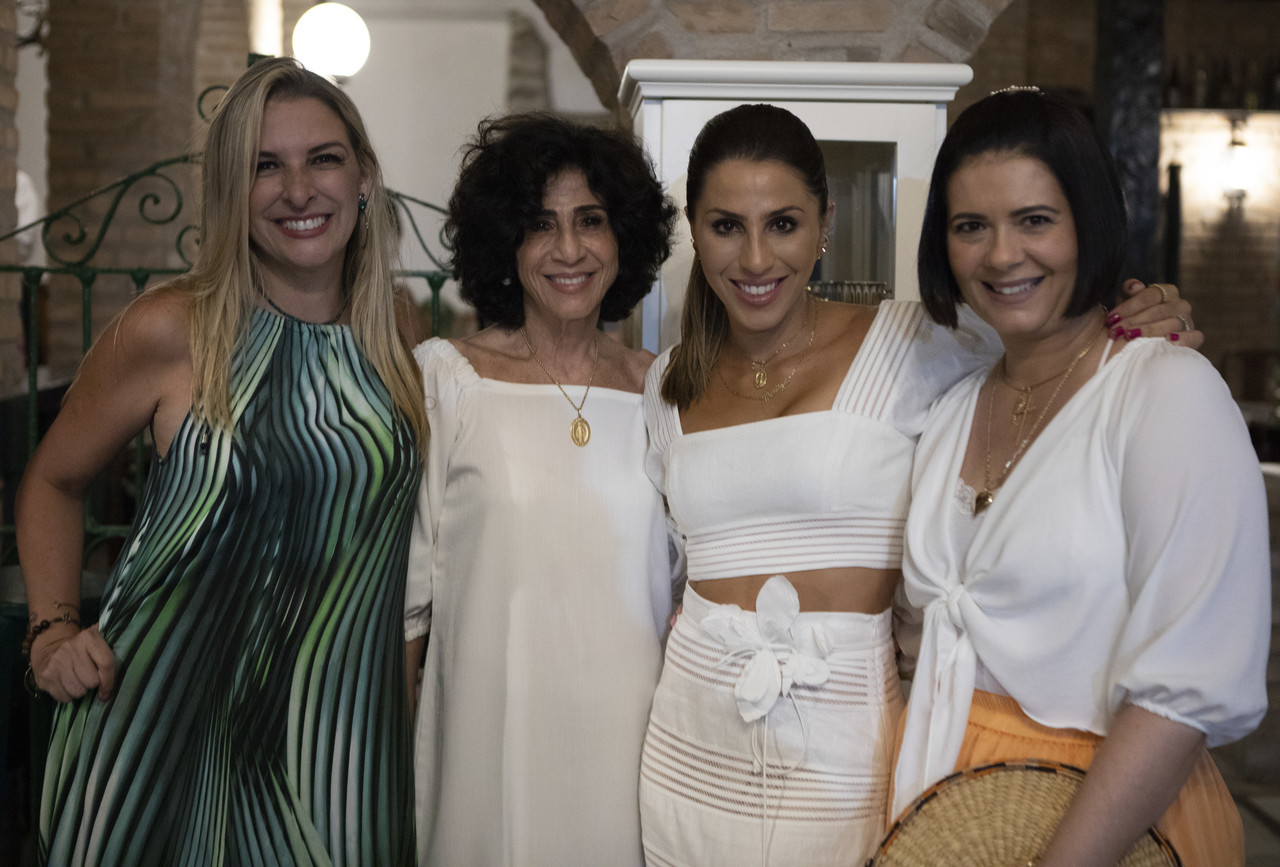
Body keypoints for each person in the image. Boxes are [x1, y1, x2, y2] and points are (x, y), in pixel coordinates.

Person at [637, 102, 1198, 867]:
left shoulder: (919, 340)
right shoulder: (666, 383)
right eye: (726, 225)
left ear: (826, 222)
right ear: (694, 232)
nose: (756, 258)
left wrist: (1140, 318)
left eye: (784, 223)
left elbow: (1056, 350)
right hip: (688, 750)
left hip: (850, 764)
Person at [16, 56, 429, 865]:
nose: (298, 189)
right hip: (152, 736)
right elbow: (54, 481)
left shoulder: (402, 337)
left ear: (366, 176)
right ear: (231, 193)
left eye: (323, 159)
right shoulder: (171, 328)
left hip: (340, 752)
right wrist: (51, 631)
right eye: (263, 166)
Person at [890, 89, 1268, 865]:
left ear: (1088, 221)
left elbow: (1185, 684)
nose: (1002, 255)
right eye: (971, 227)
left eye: (1035, 219)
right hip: (949, 813)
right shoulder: (952, 406)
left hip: (1107, 822)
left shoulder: (1165, 392)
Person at [403, 113, 678, 866]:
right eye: (540, 224)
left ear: (623, 237)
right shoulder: (448, 380)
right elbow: (406, 610)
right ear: (506, 243)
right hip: (486, 743)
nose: (568, 249)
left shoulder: (663, 390)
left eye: (590, 221)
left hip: (632, 743)